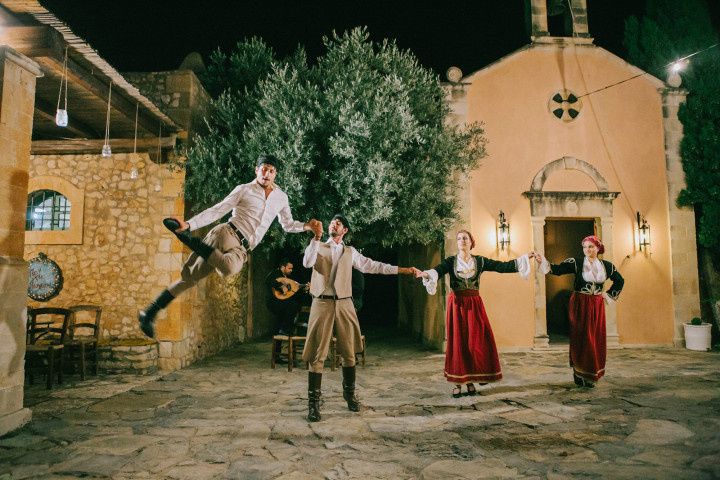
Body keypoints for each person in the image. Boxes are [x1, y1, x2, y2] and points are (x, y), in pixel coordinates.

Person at [138, 154, 318, 338]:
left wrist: (306, 226)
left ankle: (189, 240)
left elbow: (287, 224)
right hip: (227, 234)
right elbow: (219, 209)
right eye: (264, 169)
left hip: (242, 249)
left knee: (229, 267)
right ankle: (149, 314)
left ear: (275, 174)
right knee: (189, 280)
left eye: (271, 171)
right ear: (257, 170)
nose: (267, 173)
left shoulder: (281, 198)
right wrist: (190, 224)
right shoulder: (244, 189)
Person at [302, 215, 419, 422]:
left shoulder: (351, 252)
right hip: (322, 302)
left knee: (349, 353)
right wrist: (315, 238)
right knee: (317, 355)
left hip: (345, 303)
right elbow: (307, 262)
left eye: (337, 223)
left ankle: (349, 395)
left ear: (344, 230)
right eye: (331, 222)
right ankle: (313, 404)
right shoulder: (318, 246)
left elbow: (374, 266)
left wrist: (403, 270)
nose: (333, 225)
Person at [417, 230, 533, 398]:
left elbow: (502, 266)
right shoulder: (451, 261)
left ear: (471, 242)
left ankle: (471, 380)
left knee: (476, 342)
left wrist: (523, 258)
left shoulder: (480, 261)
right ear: (457, 243)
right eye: (459, 239)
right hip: (457, 305)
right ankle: (458, 382)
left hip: (474, 304)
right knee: (458, 343)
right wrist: (426, 274)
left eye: (465, 238)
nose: (462, 241)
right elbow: (437, 271)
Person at [534, 235, 624, 388]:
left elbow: (620, 280)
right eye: (585, 247)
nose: (587, 250)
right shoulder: (576, 262)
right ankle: (579, 372)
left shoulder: (607, 266)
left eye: (591, 247)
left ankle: (591, 372)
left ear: (598, 248)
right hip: (580, 303)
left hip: (596, 305)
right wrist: (542, 260)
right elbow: (557, 270)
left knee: (595, 338)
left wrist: (608, 296)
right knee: (581, 338)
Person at [266, 258, 305, 336]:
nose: (291, 270)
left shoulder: (287, 277)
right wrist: (280, 286)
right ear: (283, 267)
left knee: (294, 305)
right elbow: (268, 281)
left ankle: (285, 329)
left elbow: (292, 289)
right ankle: (285, 328)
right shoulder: (275, 273)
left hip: (282, 301)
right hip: (273, 301)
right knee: (293, 305)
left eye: (292, 268)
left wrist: (304, 287)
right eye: (289, 268)